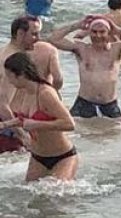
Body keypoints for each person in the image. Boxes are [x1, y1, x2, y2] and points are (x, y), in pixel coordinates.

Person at [47, 16, 121, 119]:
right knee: (79, 132)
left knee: (114, 132)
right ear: (89, 33)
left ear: (108, 33)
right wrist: (76, 25)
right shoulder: (81, 48)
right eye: (94, 32)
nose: (98, 35)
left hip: (109, 105)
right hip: (84, 103)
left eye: (102, 32)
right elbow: (53, 39)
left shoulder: (117, 49)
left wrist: (119, 30)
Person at [0, 53, 77, 181]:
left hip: (62, 156)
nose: (8, 80)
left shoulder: (45, 93)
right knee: (29, 196)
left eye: (9, 76)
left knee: (56, 195)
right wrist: (4, 125)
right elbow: (24, 119)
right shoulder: (25, 91)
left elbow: (69, 124)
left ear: (21, 75)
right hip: (38, 157)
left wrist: (37, 124)